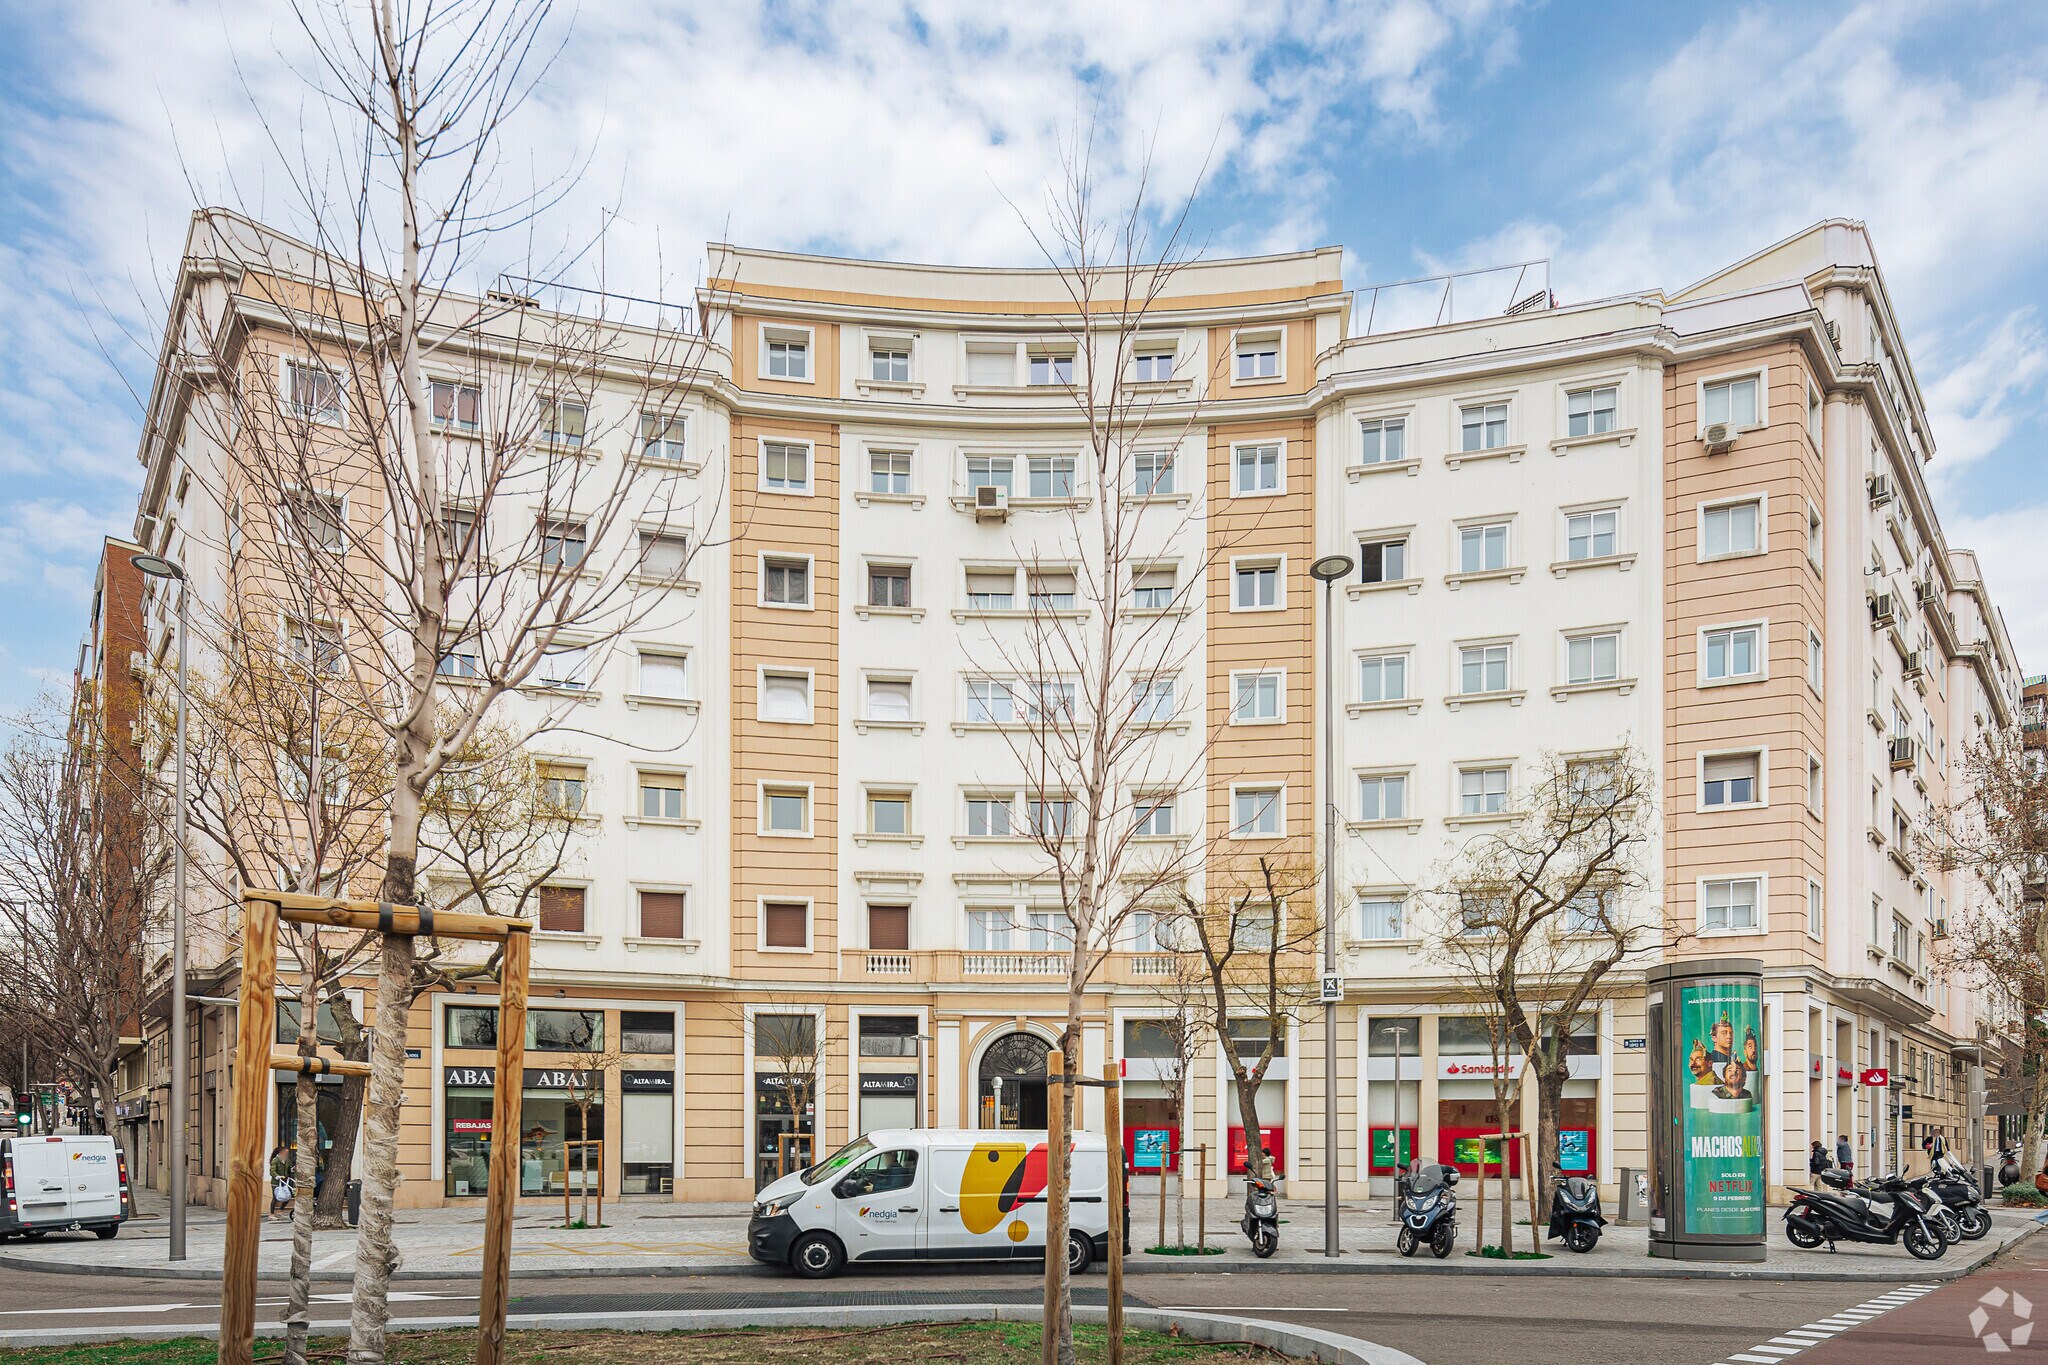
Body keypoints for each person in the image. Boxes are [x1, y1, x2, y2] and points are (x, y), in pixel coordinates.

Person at [268, 1142, 293, 1216]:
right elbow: (272, 1171)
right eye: (285, 1153)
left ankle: (280, 1210)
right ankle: (271, 1214)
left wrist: (292, 1170)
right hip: (276, 1182)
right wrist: (277, 1176)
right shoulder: (275, 1160)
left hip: (285, 1181)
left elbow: (289, 1169)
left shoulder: (287, 1160)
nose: (286, 1154)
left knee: (288, 1195)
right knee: (275, 1197)